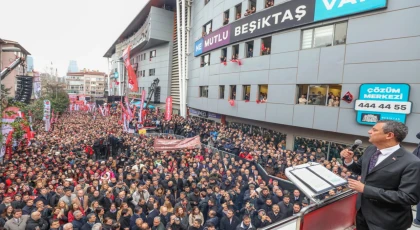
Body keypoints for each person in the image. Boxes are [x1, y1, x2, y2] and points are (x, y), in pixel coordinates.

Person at [341, 120, 420, 230]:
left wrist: (365, 189)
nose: (369, 131)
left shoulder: (412, 162)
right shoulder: (370, 149)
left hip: (387, 221)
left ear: (389, 135)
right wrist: (349, 160)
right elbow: (360, 170)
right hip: (362, 214)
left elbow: (408, 197)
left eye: (374, 130)